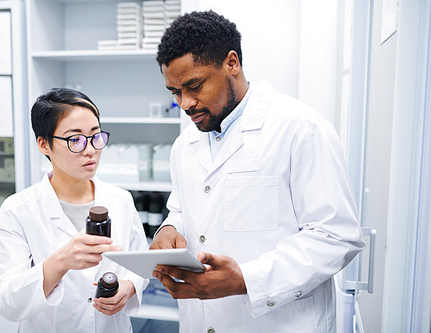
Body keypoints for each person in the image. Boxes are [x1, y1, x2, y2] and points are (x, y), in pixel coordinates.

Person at [150, 10, 366, 333]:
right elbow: (182, 209)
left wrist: (246, 280)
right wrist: (167, 229)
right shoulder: (185, 146)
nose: (185, 103)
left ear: (231, 63)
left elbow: (336, 236)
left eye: (194, 86)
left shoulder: (299, 129)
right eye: (175, 92)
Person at [0, 88, 149, 332]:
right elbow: (8, 302)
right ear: (44, 145)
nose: (90, 150)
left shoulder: (121, 200)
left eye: (96, 136)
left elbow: (140, 265)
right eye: (74, 139)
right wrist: (60, 262)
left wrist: (129, 288)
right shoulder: (18, 210)